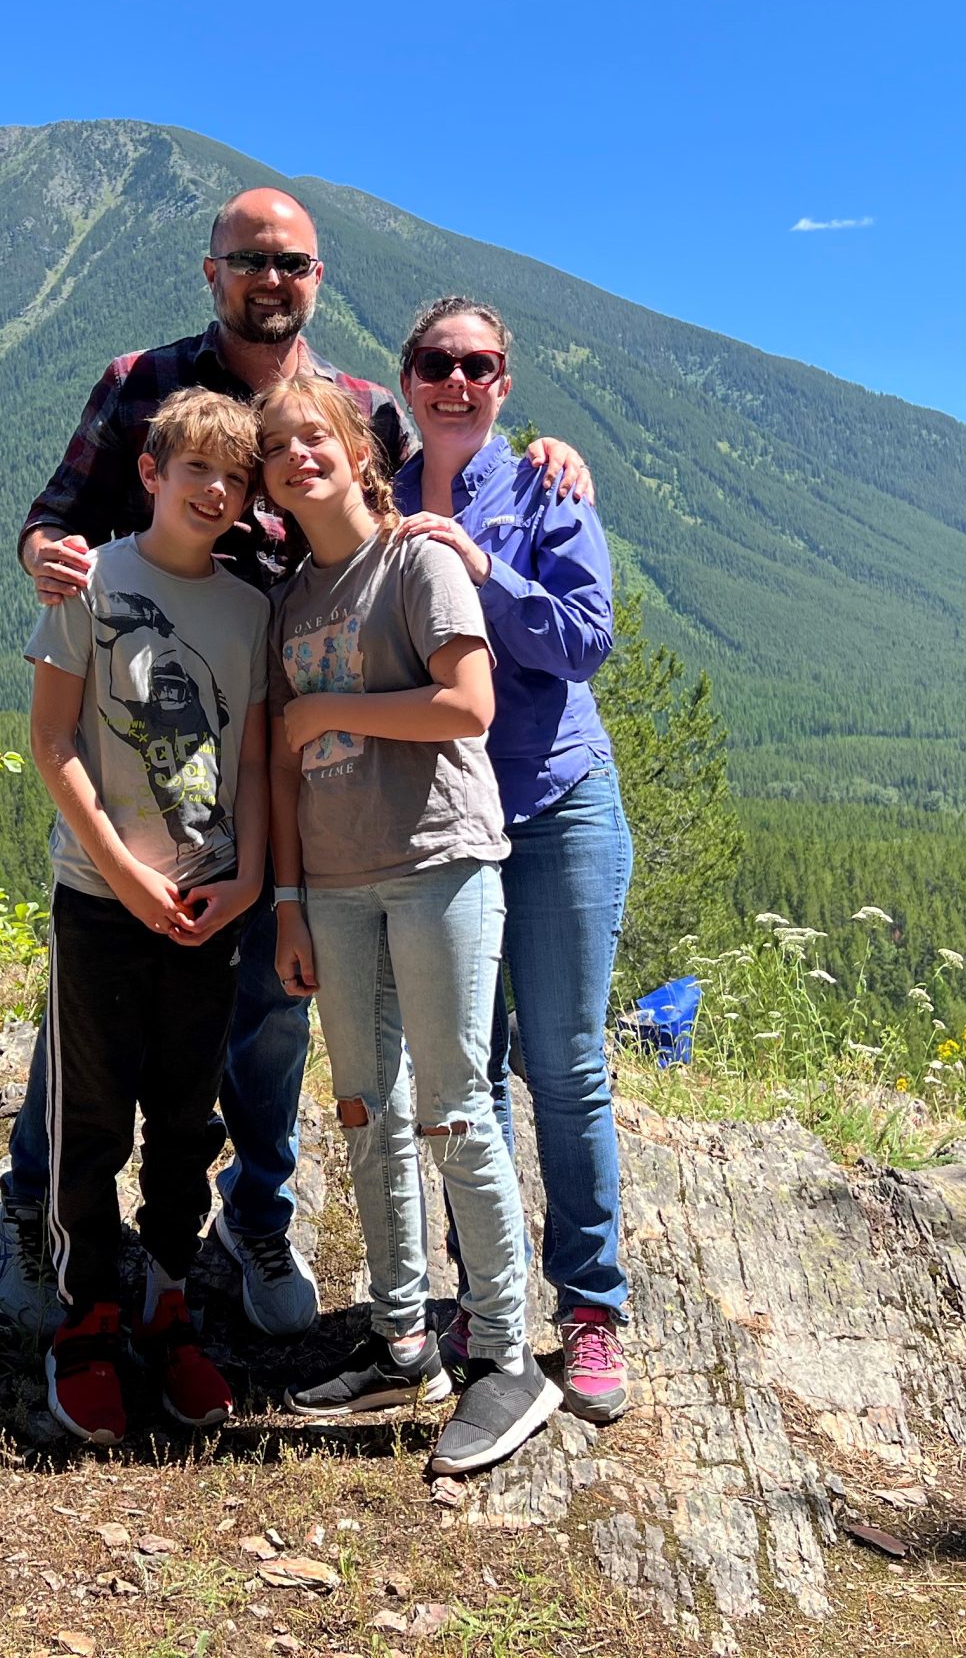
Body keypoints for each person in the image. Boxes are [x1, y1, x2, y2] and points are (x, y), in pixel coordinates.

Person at [0, 187, 593, 1339]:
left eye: (295, 262)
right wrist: (48, 558)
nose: (273, 278)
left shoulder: (359, 404)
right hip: (159, 747)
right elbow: (53, 517)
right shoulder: (138, 385)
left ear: (319, 278)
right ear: (211, 270)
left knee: (268, 1003)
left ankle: (251, 1214)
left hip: (298, 759)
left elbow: (439, 495)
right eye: (250, 259)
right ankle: (36, 1209)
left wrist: (541, 456)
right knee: (99, 1003)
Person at [260, 374, 561, 1479]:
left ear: (356, 451)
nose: (299, 456)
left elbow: (467, 703)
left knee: (452, 1110)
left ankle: (507, 1363)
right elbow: (282, 772)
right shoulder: (293, 598)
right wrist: (289, 900)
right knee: (362, 1112)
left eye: (316, 437)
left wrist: (333, 707)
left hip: (437, 862)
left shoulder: (417, 561)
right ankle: (399, 1341)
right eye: (278, 447)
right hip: (334, 886)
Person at [393, 298, 638, 1424]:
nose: (455, 381)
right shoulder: (373, 491)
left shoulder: (546, 488)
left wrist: (478, 565)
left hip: (554, 804)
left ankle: (589, 1309)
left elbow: (585, 640)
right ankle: (486, 1303)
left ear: (504, 380)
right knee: (465, 1076)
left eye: (476, 365)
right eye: (436, 363)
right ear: (405, 378)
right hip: (444, 821)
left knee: (566, 1065)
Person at [22, 390, 269, 1443]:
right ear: (153, 476)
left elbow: (252, 759)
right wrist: (123, 875)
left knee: (185, 1119)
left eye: (235, 478)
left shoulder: (249, 609)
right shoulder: (89, 580)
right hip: (100, 899)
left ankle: (169, 1299)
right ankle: (85, 1317)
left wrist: (249, 878)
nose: (213, 491)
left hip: (210, 906)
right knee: (90, 1118)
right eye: (195, 470)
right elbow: (52, 742)